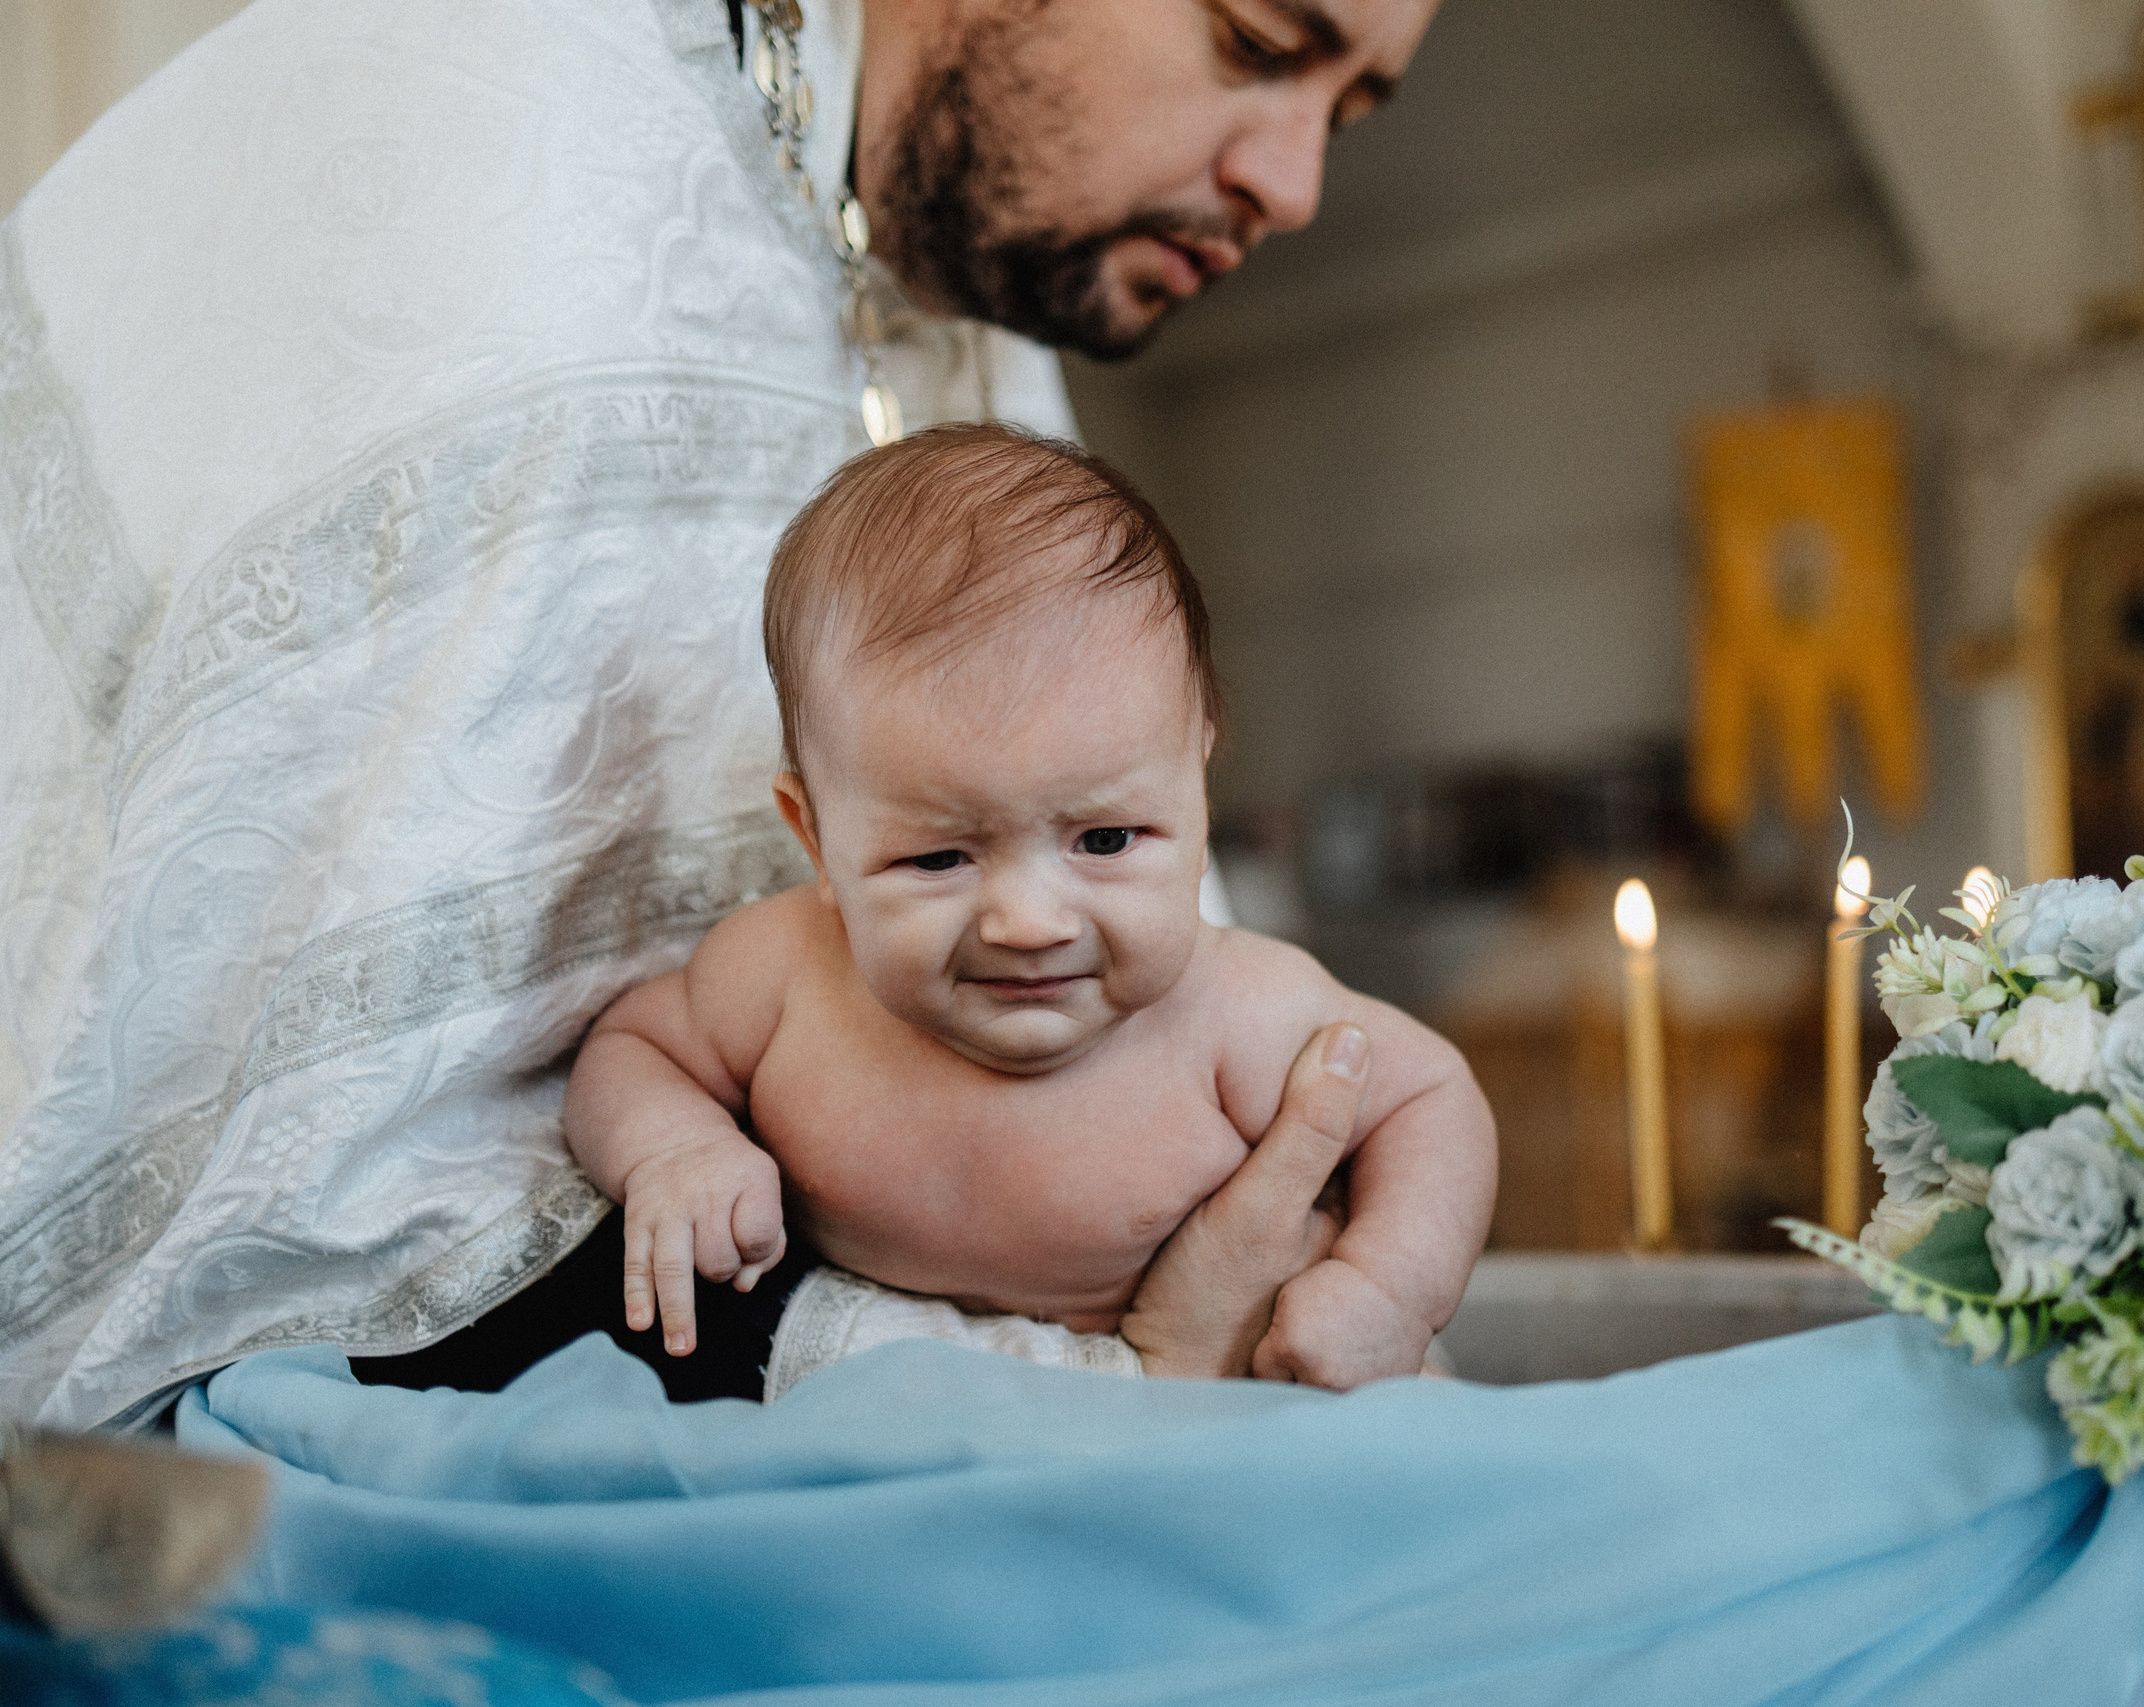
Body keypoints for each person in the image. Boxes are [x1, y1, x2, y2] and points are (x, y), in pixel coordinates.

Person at [0, 0, 1436, 1429]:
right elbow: (333, 1222)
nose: (1294, 185)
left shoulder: (957, 326)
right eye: (1256, 42)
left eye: (1352, 111)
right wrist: (1119, 1381)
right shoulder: (483, 151)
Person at [564, 425, 1495, 1387]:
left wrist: (1387, 1291)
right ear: (816, 838)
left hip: (1294, 1380)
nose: (1029, 921)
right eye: (938, 857)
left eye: (1104, 840)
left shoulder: (1239, 1011)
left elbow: (1431, 1099)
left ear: (1197, 795)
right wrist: (675, 1147)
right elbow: (635, 1045)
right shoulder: (787, 978)